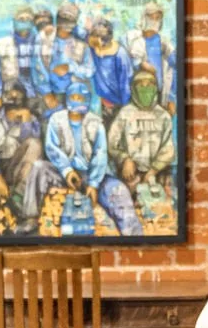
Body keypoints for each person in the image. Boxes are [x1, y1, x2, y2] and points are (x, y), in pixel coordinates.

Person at [45, 83, 142, 236]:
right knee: (38, 168)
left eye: (81, 97)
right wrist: (67, 170)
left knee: (119, 191)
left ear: (87, 100)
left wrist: (93, 184)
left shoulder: (96, 124)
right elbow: (52, 148)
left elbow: (100, 153)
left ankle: (134, 238)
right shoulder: (56, 120)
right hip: (63, 173)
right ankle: (28, 223)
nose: (77, 101)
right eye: (73, 97)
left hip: (93, 174)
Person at [0, 82, 56, 231]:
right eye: (11, 92)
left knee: (35, 148)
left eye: (18, 92)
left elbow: (35, 152)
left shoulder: (32, 120)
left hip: (21, 170)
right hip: (0, 169)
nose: (14, 95)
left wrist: (26, 122)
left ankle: (20, 200)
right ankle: (17, 205)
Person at [107, 65, 176, 197]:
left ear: (156, 89)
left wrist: (153, 171)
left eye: (149, 85)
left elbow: (168, 149)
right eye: (141, 86)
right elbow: (111, 143)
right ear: (133, 89)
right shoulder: (125, 113)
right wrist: (125, 159)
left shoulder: (163, 116)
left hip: (156, 173)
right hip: (129, 173)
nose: (146, 90)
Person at [40, 1, 97, 112]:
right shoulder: (45, 42)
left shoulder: (81, 45)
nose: (66, 24)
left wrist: (70, 68)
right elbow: (38, 69)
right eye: (64, 19)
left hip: (76, 96)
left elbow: (90, 70)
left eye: (70, 20)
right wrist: (46, 93)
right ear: (58, 20)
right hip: (52, 96)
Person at [0, 5, 40, 109]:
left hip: (34, 94)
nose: (24, 22)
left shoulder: (38, 42)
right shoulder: (4, 43)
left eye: (28, 19)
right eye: (21, 19)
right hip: (10, 94)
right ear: (14, 21)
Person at [87, 17, 134, 119]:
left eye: (99, 46)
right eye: (94, 45)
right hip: (103, 101)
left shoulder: (120, 55)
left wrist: (125, 108)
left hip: (118, 103)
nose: (98, 50)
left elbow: (125, 84)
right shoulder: (93, 47)